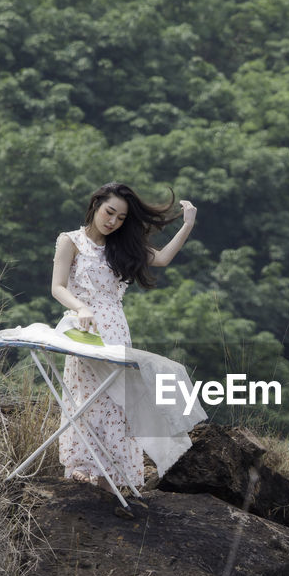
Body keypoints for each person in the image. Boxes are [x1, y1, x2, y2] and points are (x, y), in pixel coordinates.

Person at [50, 182, 197, 487]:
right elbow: (58, 287)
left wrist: (187, 225)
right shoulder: (71, 241)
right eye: (109, 212)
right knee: (86, 398)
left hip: (116, 330)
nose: (112, 221)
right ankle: (83, 464)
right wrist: (80, 308)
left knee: (117, 403)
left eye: (120, 218)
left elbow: (163, 258)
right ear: (96, 206)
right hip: (85, 330)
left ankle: (112, 474)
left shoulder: (120, 247)